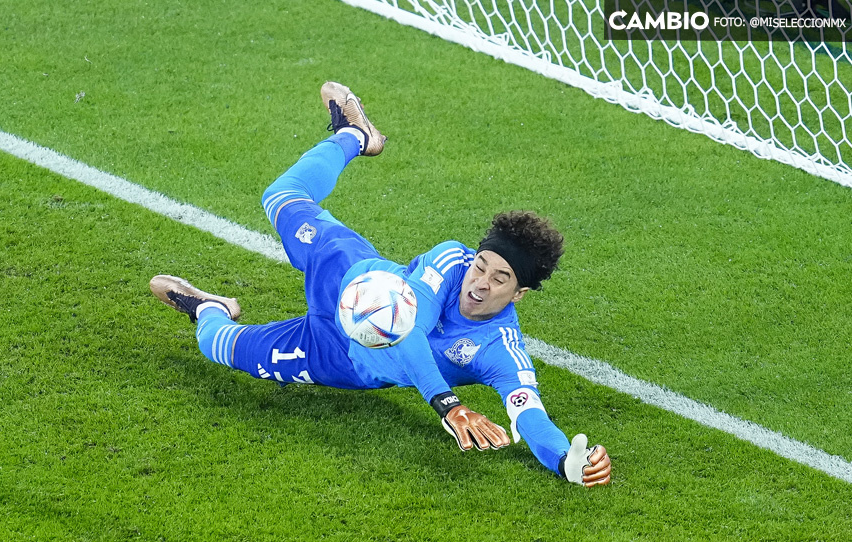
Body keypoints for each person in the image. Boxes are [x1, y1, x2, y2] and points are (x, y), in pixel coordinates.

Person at [150, 82, 612, 487]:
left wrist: (566, 462)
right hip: (350, 273)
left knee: (218, 346)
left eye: (500, 278)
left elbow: (528, 413)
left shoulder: (500, 350)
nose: (480, 282)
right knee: (280, 196)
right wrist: (449, 406)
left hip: (339, 358)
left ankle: (210, 306)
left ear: (520, 294)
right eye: (482, 265)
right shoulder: (451, 260)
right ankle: (355, 135)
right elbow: (405, 327)